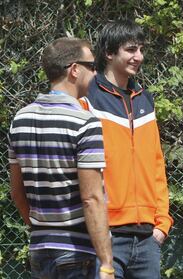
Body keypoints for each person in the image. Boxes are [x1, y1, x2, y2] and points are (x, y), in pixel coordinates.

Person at [8, 37, 114, 278]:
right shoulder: (84, 123)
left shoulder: (20, 120)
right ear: (75, 70)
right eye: (92, 66)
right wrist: (107, 263)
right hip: (76, 252)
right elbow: (92, 199)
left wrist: (41, 229)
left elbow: (17, 191)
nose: (96, 72)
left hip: (39, 249)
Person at [79, 20, 173, 279]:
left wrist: (162, 224)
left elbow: (156, 162)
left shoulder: (145, 98)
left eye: (141, 49)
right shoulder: (87, 97)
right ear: (109, 53)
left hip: (147, 238)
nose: (139, 56)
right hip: (104, 234)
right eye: (131, 50)